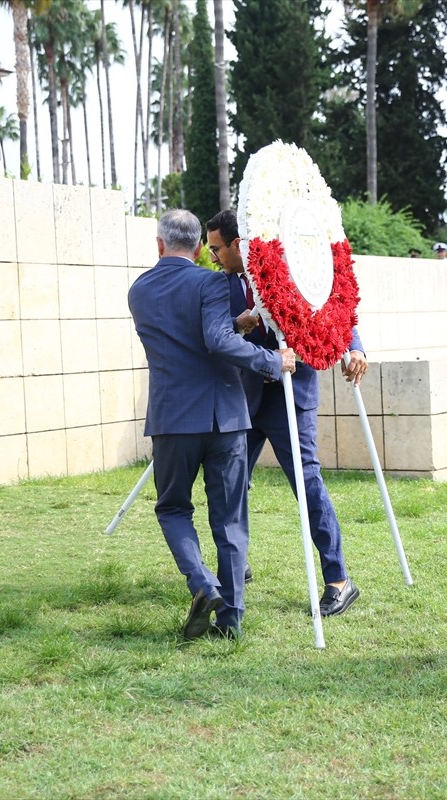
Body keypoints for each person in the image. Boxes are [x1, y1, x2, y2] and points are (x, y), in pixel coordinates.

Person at [128, 209, 296, 641]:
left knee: (172, 508)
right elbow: (214, 340)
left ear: (159, 244)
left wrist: (233, 325)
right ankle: (231, 620)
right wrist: (271, 360)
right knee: (230, 519)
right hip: (226, 417)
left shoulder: (138, 291)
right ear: (200, 247)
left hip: (172, 418)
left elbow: (184, 337)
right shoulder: (212, 281)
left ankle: (203, 584)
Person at [205, 209, 366, 617]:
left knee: (306, 483)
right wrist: (238, 324)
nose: (213, 257)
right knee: (229, 481)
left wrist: (356, 347)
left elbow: (329, 303)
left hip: (290, 396)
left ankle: (339, 580)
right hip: (242, 397)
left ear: (238, 243)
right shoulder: (218, 285)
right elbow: (218, 332)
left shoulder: (287, 266)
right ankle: (235, 566)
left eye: (218, 249)